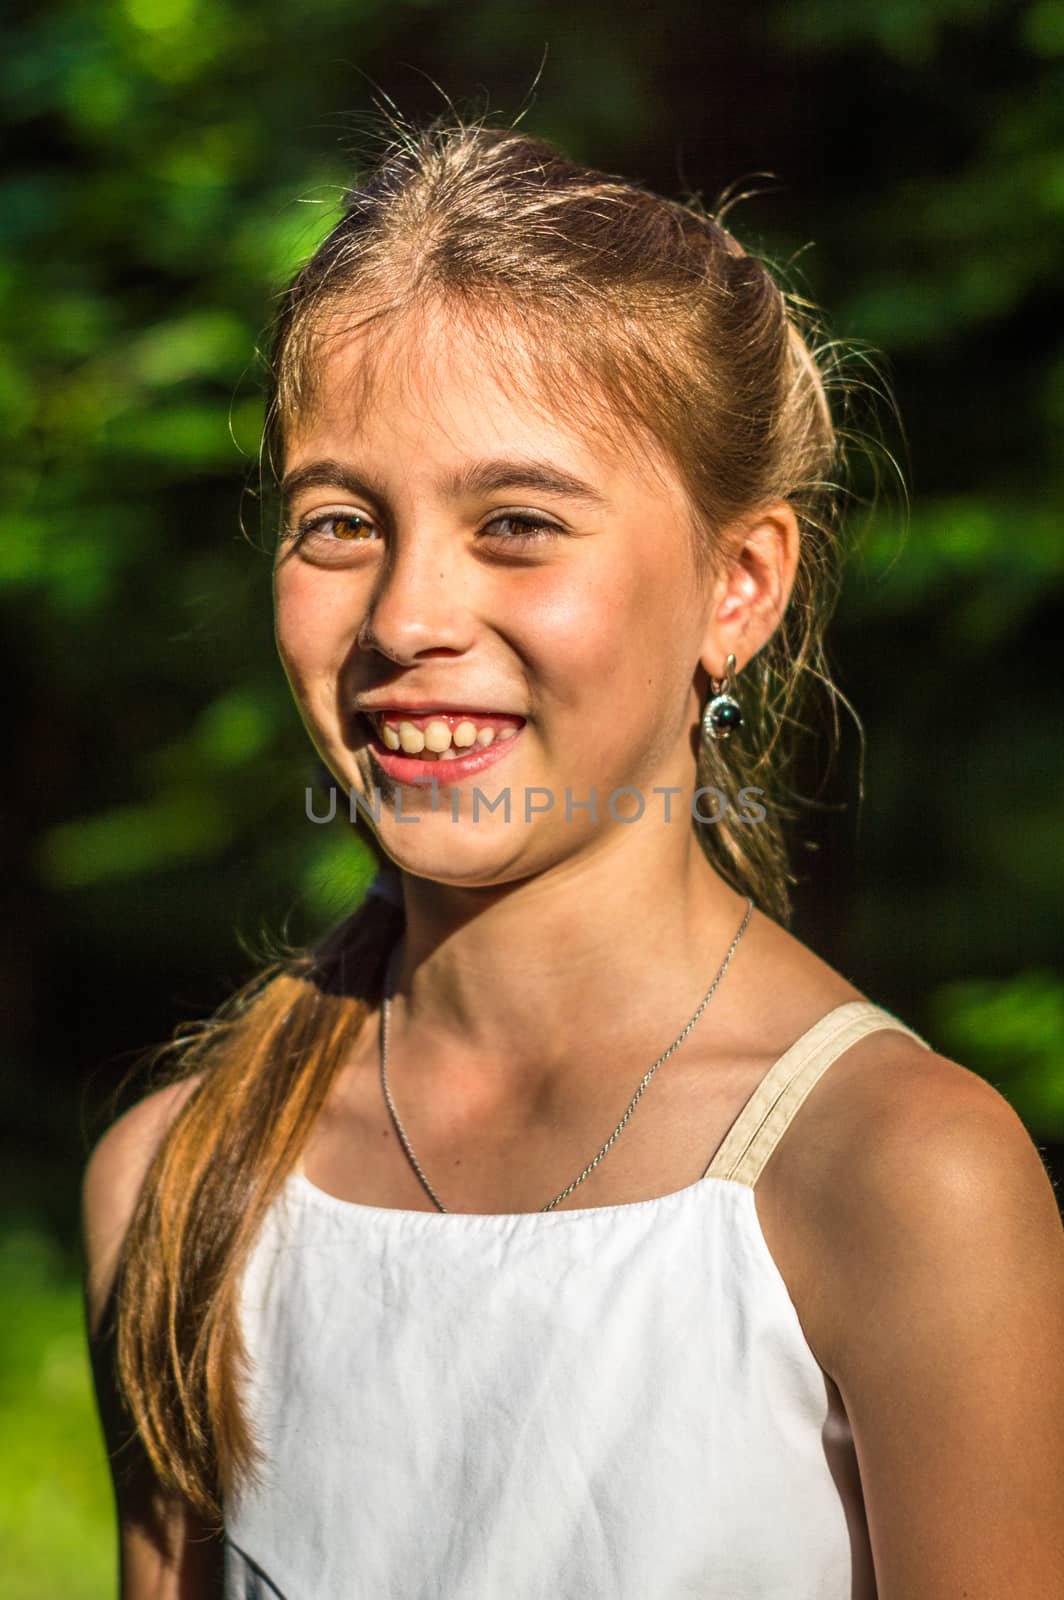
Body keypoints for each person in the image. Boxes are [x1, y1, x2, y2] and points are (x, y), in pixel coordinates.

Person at [82, 109, 1064, 1599]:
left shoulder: (894, 1181)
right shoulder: (184, 1182)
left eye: (520, 522)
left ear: (738, 585)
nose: (408, 618)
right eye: (339, 522)